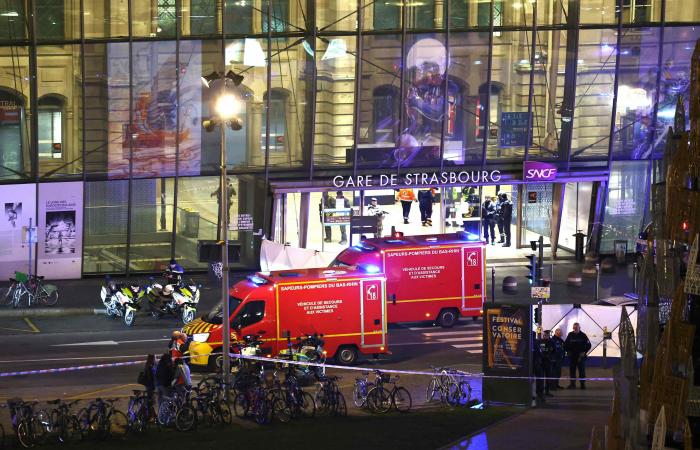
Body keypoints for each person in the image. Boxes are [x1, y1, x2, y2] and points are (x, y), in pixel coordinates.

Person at [564, 322, 592, 389]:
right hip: (572, 357)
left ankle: (582, 385)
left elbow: (589, 345)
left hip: (580, 357)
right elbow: (565, 344)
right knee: (572, 371)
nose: (575, 329)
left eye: (576, 327)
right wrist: (568, 351)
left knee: (581, 371)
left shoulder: (583, 335)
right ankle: (572, 384)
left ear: (579, 328)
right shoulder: (570, 334)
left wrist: (584, 352)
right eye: (574, 328)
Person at [535, 330, 555, 400]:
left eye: (546, 335)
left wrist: (550, 358)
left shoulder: (552, 342)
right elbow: (537, 351)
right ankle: (539, 393)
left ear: (549, 335)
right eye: (544, 335)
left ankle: (547, 391)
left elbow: (554, 351)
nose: (545, 336)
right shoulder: (538, 342)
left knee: (548, 377)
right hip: (540, 363)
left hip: (548, 362)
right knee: (540, 378)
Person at [138, 354, 157, 419]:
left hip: (149, 385)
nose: (156, 359)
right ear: (152, 359)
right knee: (150, 401)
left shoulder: (148, 365)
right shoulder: (150, 366)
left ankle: (150, 415)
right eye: (155, 358)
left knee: (150, 401)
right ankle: (145, 415)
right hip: (150, 386)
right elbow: (151, 377)